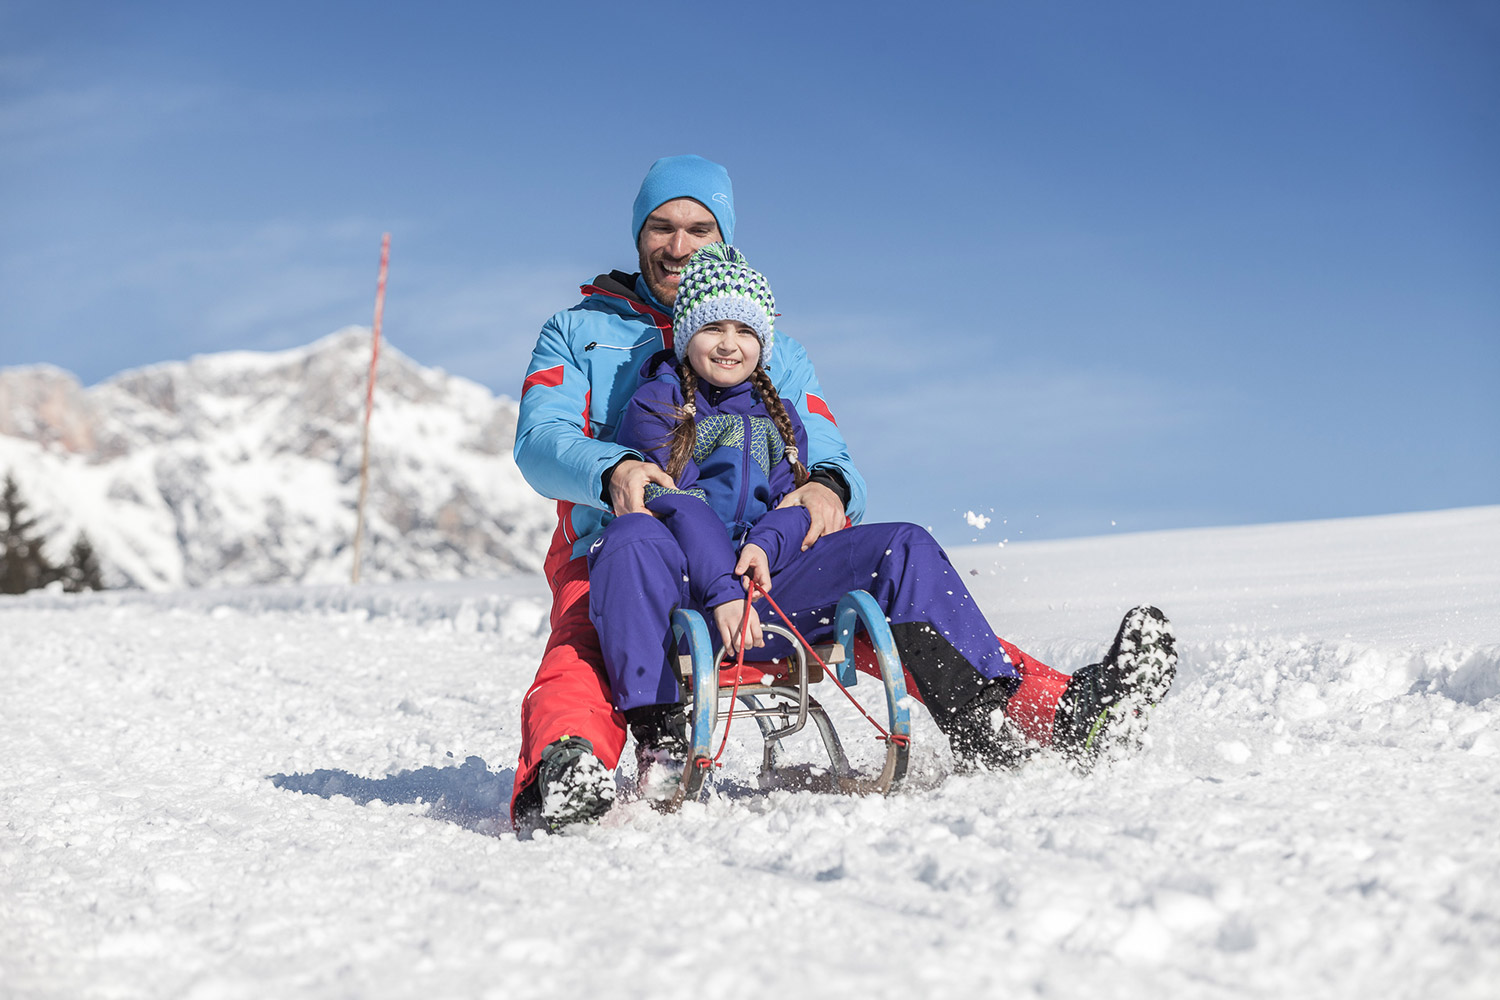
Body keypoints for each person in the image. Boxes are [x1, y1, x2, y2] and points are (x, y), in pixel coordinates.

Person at [511, 155, 1170, 833]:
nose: (678, 246)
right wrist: (615, 469)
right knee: (591, 633)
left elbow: (828, 453)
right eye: (661, 227)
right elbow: (539, 438)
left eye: (699, 229)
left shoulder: (775, 350)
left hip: (765, 556)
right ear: (638, 234)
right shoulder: (583, 332)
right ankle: (568, 764)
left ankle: (1054, 714)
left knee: (898, 579)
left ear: (724, 238)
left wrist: (827, 489)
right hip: (625, 544)